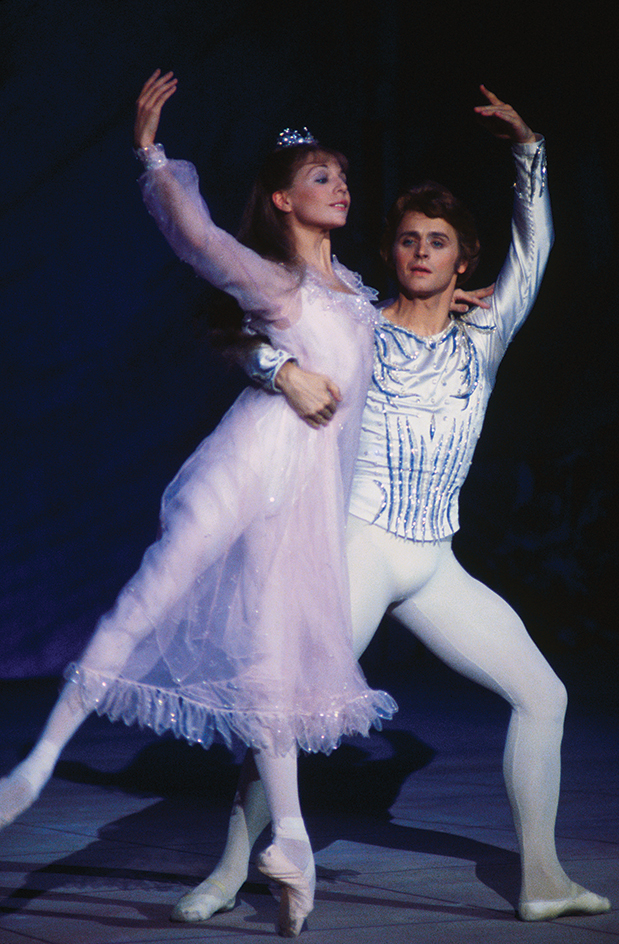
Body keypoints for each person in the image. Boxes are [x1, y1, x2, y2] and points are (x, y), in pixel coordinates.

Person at [182, 87, 611, 924]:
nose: (420, 252)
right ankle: (231, 870)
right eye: (409, 240)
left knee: (543, 695)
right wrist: (277, 371)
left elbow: (539, 246)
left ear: (463, 262)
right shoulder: (357, 323)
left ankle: (543, 880)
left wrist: (530, 152)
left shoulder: (482, 336)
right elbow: (261, 335)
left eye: (438, 243)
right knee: (288, 709)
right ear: (394, 251)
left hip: (434, 560)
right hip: (360, 546)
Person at [0, 70, 403, 937]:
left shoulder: (355, 297)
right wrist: (152, 157)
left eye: (341, 175)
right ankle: (35, 765)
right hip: (245, 462)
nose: (339, 186)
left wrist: (454, 303)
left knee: (270, 659)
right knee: (156, 587)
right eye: (321, 177)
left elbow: (393, 337)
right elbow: (199, 238)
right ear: (283, 200)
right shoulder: (276, 284)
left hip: (301, 503)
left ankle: (289, 836)